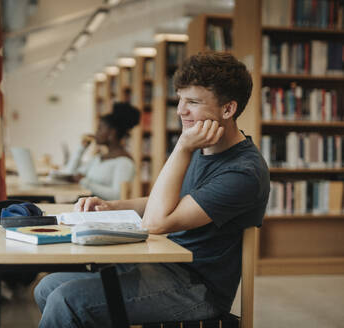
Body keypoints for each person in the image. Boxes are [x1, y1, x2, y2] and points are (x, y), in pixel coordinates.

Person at [34, 52, 270, 327]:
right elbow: (167, 202)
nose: (181, 110)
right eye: (180, 99)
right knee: (48, 286)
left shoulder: (243, 171)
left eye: (192, 102)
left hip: (196, 287)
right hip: (160, 264)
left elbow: (157, 222)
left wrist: (182, 147)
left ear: (228, 109)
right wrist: (112, 206)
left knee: (67, 300)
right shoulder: (200, 146)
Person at [61, 102, 140, 200]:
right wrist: (81, 149)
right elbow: (69, 174)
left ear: (111, 133)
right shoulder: (98, 158)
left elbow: (118, 196)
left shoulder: (124, 162)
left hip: (102, 212)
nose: (96, 133)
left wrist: (84, 181)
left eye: (99, 129)